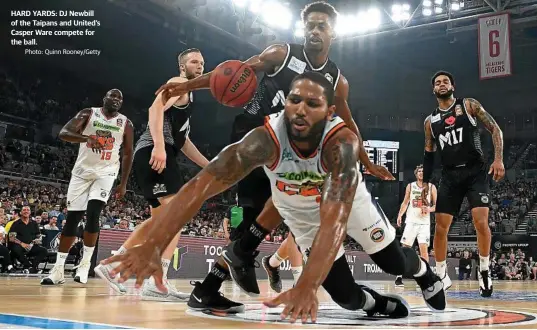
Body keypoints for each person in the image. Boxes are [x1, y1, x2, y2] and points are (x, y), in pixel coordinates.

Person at [103, 72, 446, 322]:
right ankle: (376, 305)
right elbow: (200, 186)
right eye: (295, 100)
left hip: (347, 206)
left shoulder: (342, 145)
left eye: (312, 104)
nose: (300, 109)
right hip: (303, 216)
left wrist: (308, 286)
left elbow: (335, 220)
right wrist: (154, 242)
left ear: (329, 113)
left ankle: (423, 270)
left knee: (393, 262)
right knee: (346, 298)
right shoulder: (263, 139)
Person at [155, 1, 394, 310]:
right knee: (263, 213)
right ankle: (223, 277)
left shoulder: (336, 80)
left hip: (289, 150)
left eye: (321, 25)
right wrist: (188, 85)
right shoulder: (282, 54)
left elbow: (348, 122)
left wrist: (366, 160)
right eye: (310, 25)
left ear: (332, 32)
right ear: (303, 28)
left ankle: (216, 283)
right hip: (255, 136)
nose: (314, 30)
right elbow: (233, 72)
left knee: (276, 209)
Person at [94, 48, 210, 301]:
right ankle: (151, 279)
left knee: (163, 222)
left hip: (156, 152)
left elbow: (184, 141)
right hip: (154, 152)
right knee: (176, 216)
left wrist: (209, 165)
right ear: (182, 66)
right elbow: (154, 109)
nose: (199, 66)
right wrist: (158, 145)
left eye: (202, 62)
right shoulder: (178, 83)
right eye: (193, 62)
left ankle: (123, 269)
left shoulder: (186, 96)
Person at [422, 71, 504, 297]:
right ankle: (441, 273)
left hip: (475, 172)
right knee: (439, 228)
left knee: (481, 222)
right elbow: (428, 154)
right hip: (449, 176)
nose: (441, 84)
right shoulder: (430, 122)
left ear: (453, 86)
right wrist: (427, 184)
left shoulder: (468, 105)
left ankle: (485, 270)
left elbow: (495, 129)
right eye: (437, 82)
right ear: (433, 90)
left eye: (445, 81)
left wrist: (498, 159)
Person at [41, 89, 133, 285]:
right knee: (73, 218)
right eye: (112, 96)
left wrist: (123, 183)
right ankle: (58, 270)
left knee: (93, 214)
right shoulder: (88, 113)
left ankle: (84, 266)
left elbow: (127, 153)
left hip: (106, 172)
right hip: (82, 172)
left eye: (119, 98)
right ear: (104, 99)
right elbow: (64, 133)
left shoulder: (126, 123)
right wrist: (86, 138)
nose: (116, 100)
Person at [394, 165, 436, 286]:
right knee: (405, 249)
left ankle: (425, 278)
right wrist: (400, 215)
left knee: (424, 251)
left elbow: (437, 206)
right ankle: (399, 276)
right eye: (419, 171)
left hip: (424, 223)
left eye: (423, 171)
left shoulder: (431, 187)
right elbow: (406, 202)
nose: (421, 173)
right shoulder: (411, 186)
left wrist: (429, 209)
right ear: (416, 174)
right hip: (411, 221)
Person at [8, 206, 48, 273]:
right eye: (24, 210)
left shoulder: (34, 223)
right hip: (19, 245)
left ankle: (33, 267)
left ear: (30, 212)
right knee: (16, 249)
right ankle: (28, 266)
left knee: (43, 250)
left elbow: (38, 235)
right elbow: (11, 238)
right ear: (21, 212)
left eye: (27, 210)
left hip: (31, 245)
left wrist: (38, 240)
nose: (26, 211)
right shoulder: (15, 223)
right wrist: (22, 244)